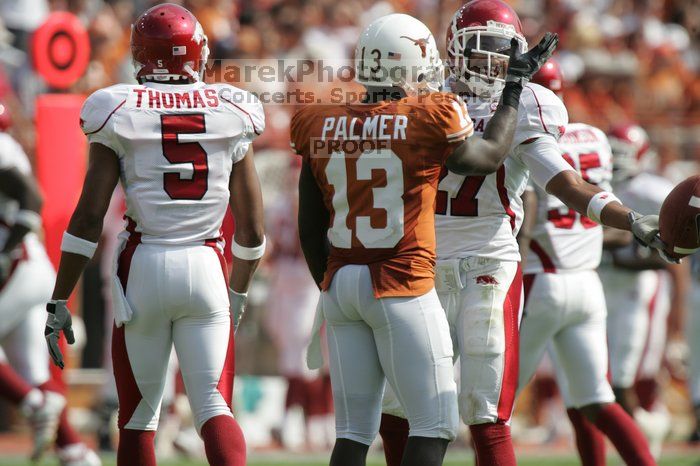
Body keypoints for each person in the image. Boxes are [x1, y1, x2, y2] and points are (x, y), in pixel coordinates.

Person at [378, 2, 670, 465]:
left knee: (487, 412)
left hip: (488, 264)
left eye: (501, 52)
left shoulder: (525, 104)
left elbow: (566, 182)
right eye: (479, 51)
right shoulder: (423, 97)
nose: (490, 63)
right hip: (422, 263)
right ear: (453, 50)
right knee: (398, 405)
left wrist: (630, 219)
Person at [293, 12, 558, 466]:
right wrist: (513, 86)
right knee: (434, 424)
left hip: (341, 283)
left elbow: (309, 223)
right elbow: (489, 156)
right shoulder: (427, 116)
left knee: (354, 432)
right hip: (402, 281)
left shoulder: (319, 120)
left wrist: (327, 281)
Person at [42, 4, 266, 466]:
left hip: (144, 269)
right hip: (206, 267)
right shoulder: (232, 107)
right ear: (196, 52)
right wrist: (238, 291)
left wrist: (60, 297)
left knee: (139, 419)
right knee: (212, 405)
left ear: (141, 54)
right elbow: (252, 228)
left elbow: (88, 216)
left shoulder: (117, 106)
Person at [516, 59, 656, 466]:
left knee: (493, 408)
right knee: (597, 399)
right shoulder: (593, 136)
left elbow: (525, 211)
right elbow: (597, 204)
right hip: (587, 283)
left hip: (538, 279)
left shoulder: (527, 137)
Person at [0, 104, 101, 465]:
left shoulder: (2, 148)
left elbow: (31, 198)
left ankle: (34, 403)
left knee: (32, 388)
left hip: (16, 270)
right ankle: (76, 453)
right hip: (26, 269)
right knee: (31, 371)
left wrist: (7, 248)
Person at [601, 123, 683, 457]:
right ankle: (647, 427)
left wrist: (679, 313)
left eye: (623, 152)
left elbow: (676, 256)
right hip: (602, 285)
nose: (618, 160)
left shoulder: (654, 190)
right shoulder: (593, 183)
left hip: (639, 290)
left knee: (632, 370)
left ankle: (647, 429)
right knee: (607, 373)